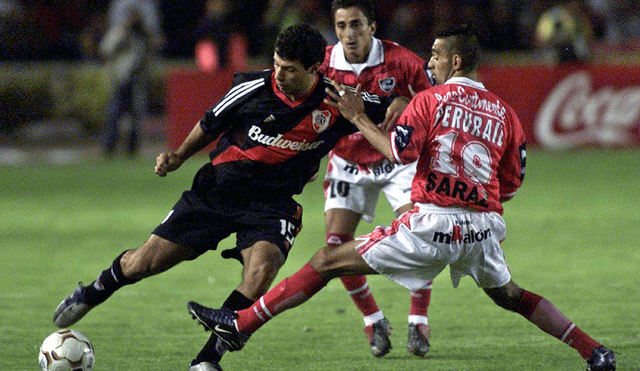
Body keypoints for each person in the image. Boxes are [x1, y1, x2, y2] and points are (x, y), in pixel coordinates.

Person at [187, 24, 617, 371]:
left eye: (434, 55)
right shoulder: (504, 112)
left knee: (326, 260)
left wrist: (356, 116)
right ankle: (593, 352)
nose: (428, 62)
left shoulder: (430, 100)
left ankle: (240, 324)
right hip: (484, 226)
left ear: (456, 61)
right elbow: (513, 181)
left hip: (433, 222)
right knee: (512, 296)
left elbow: (397, 152)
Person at [53, 24, 395, 371]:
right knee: (142, 263)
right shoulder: (252, 87)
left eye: (290, 69)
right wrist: (179, 156)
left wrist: (404, 106)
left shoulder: (337, 100)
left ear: (313, 69)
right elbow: (210, 123)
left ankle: (207, 359)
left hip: (271, 205)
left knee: (262, 270)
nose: (279, 73)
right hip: (217, 194)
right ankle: (92, 292)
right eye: (277, 64)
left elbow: (394, 105)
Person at [319, 0, 434, 357]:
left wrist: (407, 100)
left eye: (356, 25)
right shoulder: (323, 63)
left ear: (372, 27)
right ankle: (374, 321)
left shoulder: (400, 60)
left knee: (422, 235)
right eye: (341, 26)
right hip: (347, 162)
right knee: (336, 246)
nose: (348, 34)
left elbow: (437, 96)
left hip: (394, 159)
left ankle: (418, 321)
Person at [99, 0, 164, 157]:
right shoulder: (119, 31)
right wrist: (123, 34)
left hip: (138, 78)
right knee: (115, 112)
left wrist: (146, 34)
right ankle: (109, 146)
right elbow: (105, 48)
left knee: (137, 113)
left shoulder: (142, 34)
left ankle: (132, 148)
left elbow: (156, 45)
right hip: (122, 78)